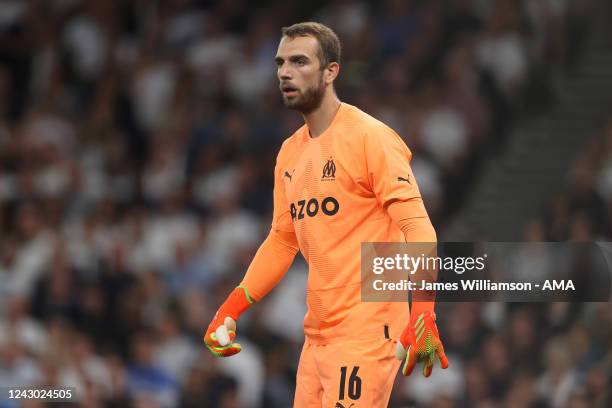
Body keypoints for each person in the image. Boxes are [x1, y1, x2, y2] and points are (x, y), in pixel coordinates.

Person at [204, 22, 448, 407]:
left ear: (330, 71)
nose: (285, 71)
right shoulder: (289, 153)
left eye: (300, 61)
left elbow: (419, 228)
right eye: (281, 62)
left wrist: (424, 313)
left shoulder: (371, 137)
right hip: (316, 337)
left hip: (365, 332)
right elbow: (282, 240)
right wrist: (231, 308)